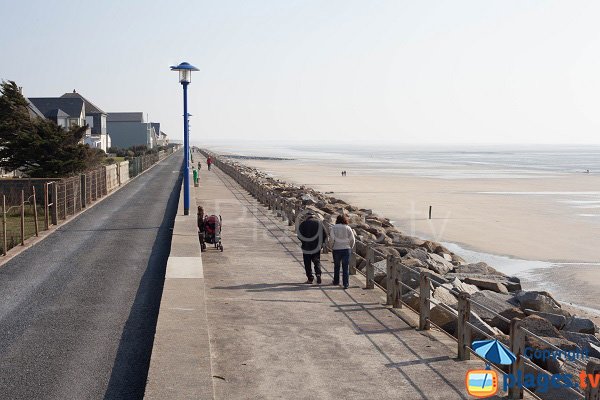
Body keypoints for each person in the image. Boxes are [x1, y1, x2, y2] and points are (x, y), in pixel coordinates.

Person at [297, 211, 327, 284]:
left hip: (306, 246)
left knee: (307, 263)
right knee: (316, 261)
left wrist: (304, 241)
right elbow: (325, 234)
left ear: (307, 217)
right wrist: (321, 243)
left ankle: (310, 278)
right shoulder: (319, 223)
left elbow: (299, 235)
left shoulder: (303, 224)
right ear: (314, 216)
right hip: (316, 246)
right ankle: (318, 274)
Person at [328, 214, 355, 289]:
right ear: (344, 220)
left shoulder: (334, 227)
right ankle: (345, 284)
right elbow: (352, 239)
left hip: (336, 249)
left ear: (337, 220)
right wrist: (350, 247)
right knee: (345, 267)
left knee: (336, 266)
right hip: (346, 249)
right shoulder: (348, 228)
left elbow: (331, 239)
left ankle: (336, 281)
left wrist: (331, 247)